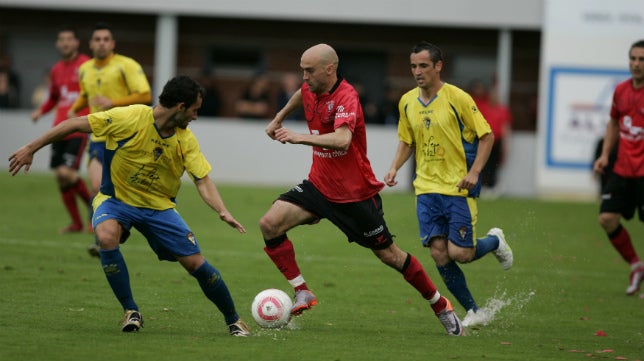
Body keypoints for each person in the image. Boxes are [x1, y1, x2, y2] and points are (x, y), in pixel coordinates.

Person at [10, 75, 252, 337]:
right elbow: (74, 124)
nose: (195, 117)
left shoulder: (186, 140)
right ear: (180, 106)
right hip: (116, 201)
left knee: (195, 263)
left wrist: (222, 210)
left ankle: (234, 320)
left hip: (159, 208)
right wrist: (31, 147)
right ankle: (130, 310)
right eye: (194, 110)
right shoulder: (131, 117)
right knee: (105, 236)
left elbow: (202, 181)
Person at [261, 43, 464, 336]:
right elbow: (300, 95)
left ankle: (439, 304)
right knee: (269, 224)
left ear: (329, 69)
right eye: (302, 70)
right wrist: (279, 117)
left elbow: (343, 140)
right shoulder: (310, 88)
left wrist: (296, 136)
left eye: (309, 70)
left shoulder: (347, 96)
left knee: (390, 256)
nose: (304, 77)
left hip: (354, 196)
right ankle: (302, 291)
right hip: (319, 185)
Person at [384, 41, 514, 327]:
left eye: (423, 66)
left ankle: (494, 241)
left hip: (458, 187)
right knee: (439, 253)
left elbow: (487, 135)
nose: (418, 72)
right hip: (426, 190)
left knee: (461, 253)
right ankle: (473, 310)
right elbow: (408, 140)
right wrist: (394, 167)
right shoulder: (407, 101)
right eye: (413, 67)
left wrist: (476, 172)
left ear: (438, 66)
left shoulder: (458, 98)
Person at [68, 22, 152, 254]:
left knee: (121, 190)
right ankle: (100, 238)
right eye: (97, 39)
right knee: (96, 185)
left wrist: (113, 103)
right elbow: (86, 95)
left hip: (125, 136)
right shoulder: (85, 68)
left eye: (106, 39)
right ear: (91, 43)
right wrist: (75, 109)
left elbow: (145, 95)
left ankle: (119, 228)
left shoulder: (126, 65)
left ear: (112, 43)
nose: (102, 43)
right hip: (98, 136)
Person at [593, 39, 644, 296]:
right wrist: (604, 155)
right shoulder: (621, 90)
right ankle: (636, 265)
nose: (636, 64)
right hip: (623, 169)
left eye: (641, 60)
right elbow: (613, 122)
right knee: (607, 218)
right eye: (633, 59)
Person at [30, 27, 92, 234]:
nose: (65, 43)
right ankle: (76, 224)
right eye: (61, 40)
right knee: (60, 176)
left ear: (76, 43)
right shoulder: (56, 69)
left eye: (69, 39)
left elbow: (93, 93)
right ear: (58, 44)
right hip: (59, 128)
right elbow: (55, 97)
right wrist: (41, 111)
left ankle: (94, 211)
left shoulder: (86, 65)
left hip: (78, 127)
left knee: (67, 172)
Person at [469, 79, 512, 195]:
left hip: (497, 141)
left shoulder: (503, 110)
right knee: (482, 162)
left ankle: (492, 187)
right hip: (484, 140)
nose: (494, 97)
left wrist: (506, 144)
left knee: (494, 165)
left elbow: (505, 128)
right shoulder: (483, 106)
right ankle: (481, 185)